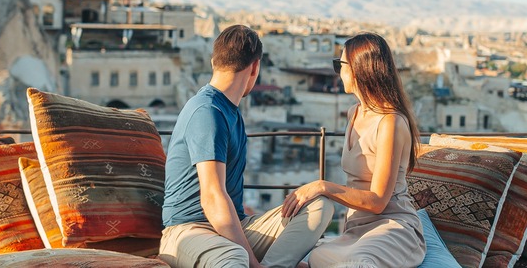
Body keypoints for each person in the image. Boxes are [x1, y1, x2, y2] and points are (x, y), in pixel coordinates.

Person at [159, 25, 334, 268]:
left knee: (319, 205)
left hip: (233, 227)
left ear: (214, 62)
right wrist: (252, 262)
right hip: (189, 230)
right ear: (255, 67)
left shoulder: (229, 110)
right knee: (234, 258)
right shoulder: (207, 112)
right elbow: (212, 197)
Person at [282, 32, 426, 268]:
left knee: (359, 263)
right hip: (356, 229)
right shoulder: (354, 113)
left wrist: (322, 186)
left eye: (340, 64)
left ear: (359, 68)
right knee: (312, 259)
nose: (337, 71)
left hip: (392, 228)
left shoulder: (390, 122)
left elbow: (378, 202)